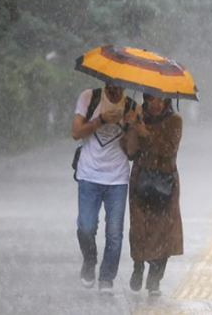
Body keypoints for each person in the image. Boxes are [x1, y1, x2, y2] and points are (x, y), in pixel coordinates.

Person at [71, 83, 139, 294]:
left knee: (115, 233)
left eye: (121, 86)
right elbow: (75, 132)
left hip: (117, 178)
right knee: (86, 227)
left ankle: (107, 278)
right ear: (106, 81)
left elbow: (132, 152)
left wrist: (132, 126)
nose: (116, 90)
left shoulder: (131, 106)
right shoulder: (89, 97)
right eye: (113, 85)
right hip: (89, 175)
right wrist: (101, 120)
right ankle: (89, 260)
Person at [121, 93, 183, 296]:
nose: (154, 103)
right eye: (150, 98)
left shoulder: (175, 120)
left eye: (159, 99)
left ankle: (155, 279)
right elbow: (129, 152)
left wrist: (145, 133)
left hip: (165, 181)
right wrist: (130, 128)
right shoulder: (138, 115)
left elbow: (168, 150)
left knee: (164, 232)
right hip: (141, 179)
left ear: (166, 101)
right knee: (139, 227)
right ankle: (138, 265)